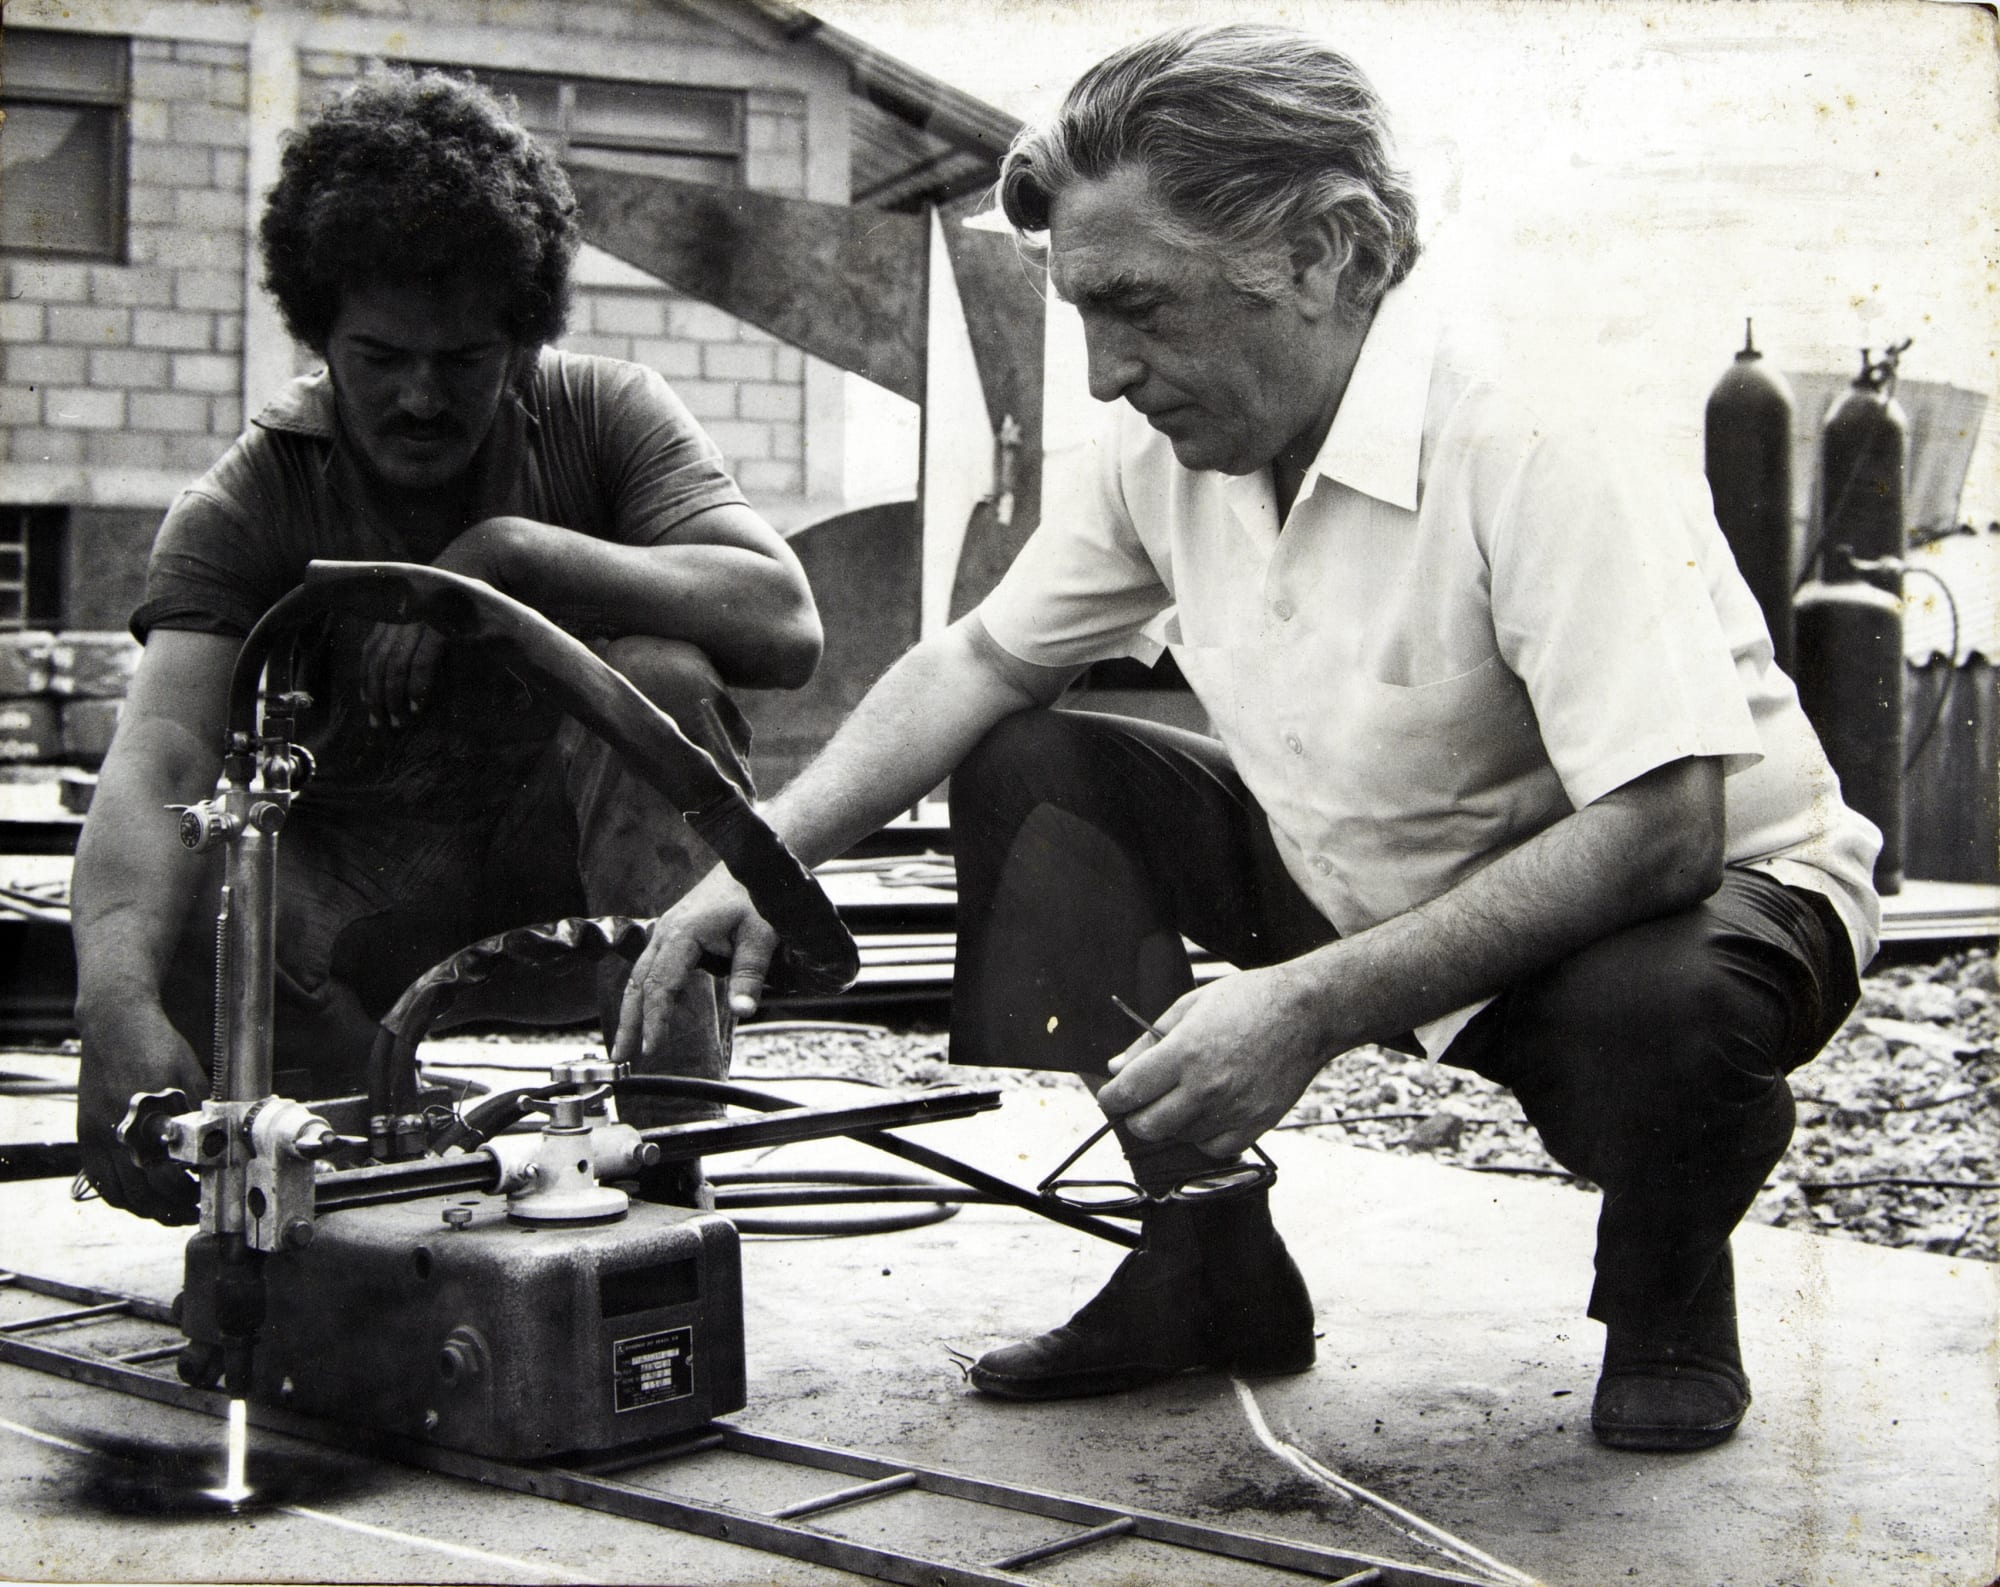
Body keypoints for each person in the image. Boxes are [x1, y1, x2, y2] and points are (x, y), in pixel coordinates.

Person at [615, 24, 1880, 1454]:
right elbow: (977, 659)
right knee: (1035, 774)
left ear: (1331, 252)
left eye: (1137, 305)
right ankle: (1203, 1263)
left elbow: (1665, 827)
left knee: (1665, 1016)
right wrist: (751, 866)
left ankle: (1667, 1281)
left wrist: (1307, 1003)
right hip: (1378, 869)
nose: (1103, 374)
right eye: (1082, 311)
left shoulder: (1530, 427)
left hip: (1691, 899)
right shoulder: (1172, 444)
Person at [73, 71, 821, 1224]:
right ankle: (360, 1156)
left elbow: (782, 623)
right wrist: (113, 1011)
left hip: (580, 892)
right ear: (320, 337)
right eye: (380, 359)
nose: (421, 398)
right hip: (360, 930)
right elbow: (160, 760)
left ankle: (670, 1163)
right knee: (202, 878)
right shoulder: (250, 497)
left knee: (663, 682)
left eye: (462, 361)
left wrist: (504, 558)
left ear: (521, 343)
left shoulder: (606, 415)